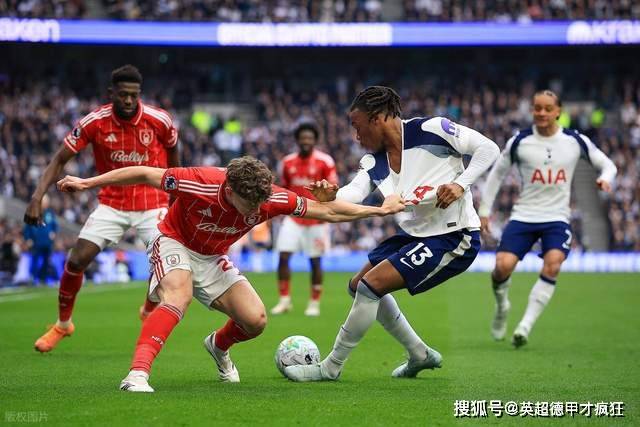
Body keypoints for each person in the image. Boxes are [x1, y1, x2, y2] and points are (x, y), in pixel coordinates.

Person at [55, 156, 405, 392]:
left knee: (255, 321)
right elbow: (145, 173)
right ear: (229, 189)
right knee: (179, 295)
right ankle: (137, 374)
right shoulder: (199, 181)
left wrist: (377, 211)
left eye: (260, 203)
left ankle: (218, 346)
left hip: (212, 257)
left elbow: (326, 212)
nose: (256, 210)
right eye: (249, 203)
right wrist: (87, 182)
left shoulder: (269, 198)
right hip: (174, 241)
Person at [283, 86, 500, 382]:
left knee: (370, 286)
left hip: (454, 236)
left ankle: (330, 367)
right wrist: (330, 196)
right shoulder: (375, 161)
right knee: (357, 285)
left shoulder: (433, 129)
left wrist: (461, 184)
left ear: (377, 119)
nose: (356, 137)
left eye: (357, 127)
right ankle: (419, 353)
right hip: (414, 236)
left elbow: (489, 149)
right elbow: (354, 192)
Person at [25, 64, 180, 353]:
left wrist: (176, 195)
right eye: (123, 95)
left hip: (153, 201)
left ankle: (148, 309)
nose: (129, 100)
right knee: (76, 260)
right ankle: (63, 324)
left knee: (163, 264)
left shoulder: (159, 120)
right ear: (111, 93)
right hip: (112, 202)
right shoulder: (94, 122)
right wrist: (36, 197)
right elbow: (59, 159)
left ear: (139, 94)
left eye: (134, 95)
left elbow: (174, 155)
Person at [478, 90, 617, 348]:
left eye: (547, 108)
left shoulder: (575, 141)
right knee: (502, 267)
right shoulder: (520, 141)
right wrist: (484, 210)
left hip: (556, 218)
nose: (541, 113)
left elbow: (608, 165)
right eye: (537, 108)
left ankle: (525, 326)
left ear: (558, 111)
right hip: (524, 215)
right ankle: (502, 307)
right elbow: (497, 174)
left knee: (553, 264)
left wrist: (605, 178)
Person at [271, 123, 338, 317]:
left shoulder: (325, 161)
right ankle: (284, 301)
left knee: (315, 261)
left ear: (315, 140)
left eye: (309, 138)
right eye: (303, 138)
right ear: (297, 140)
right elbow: (283, 188)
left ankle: (314, 303)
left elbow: (333, 188)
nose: (306, 141)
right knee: (283, 256)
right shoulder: (287, 162)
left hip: (317, 218)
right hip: (293, 217)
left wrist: (327, 204)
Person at [23, 195, 58, 286]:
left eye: (47, 202)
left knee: (46, 261)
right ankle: (32, 278)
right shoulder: (33, 212)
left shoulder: (50, 213)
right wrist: (28, 238)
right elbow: (27, 227)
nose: (46, 204)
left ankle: (43, 279)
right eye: (44, 202)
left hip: (47, 243)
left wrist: (54, 233)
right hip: (36, 242)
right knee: (35, 260)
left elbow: (55, 225)